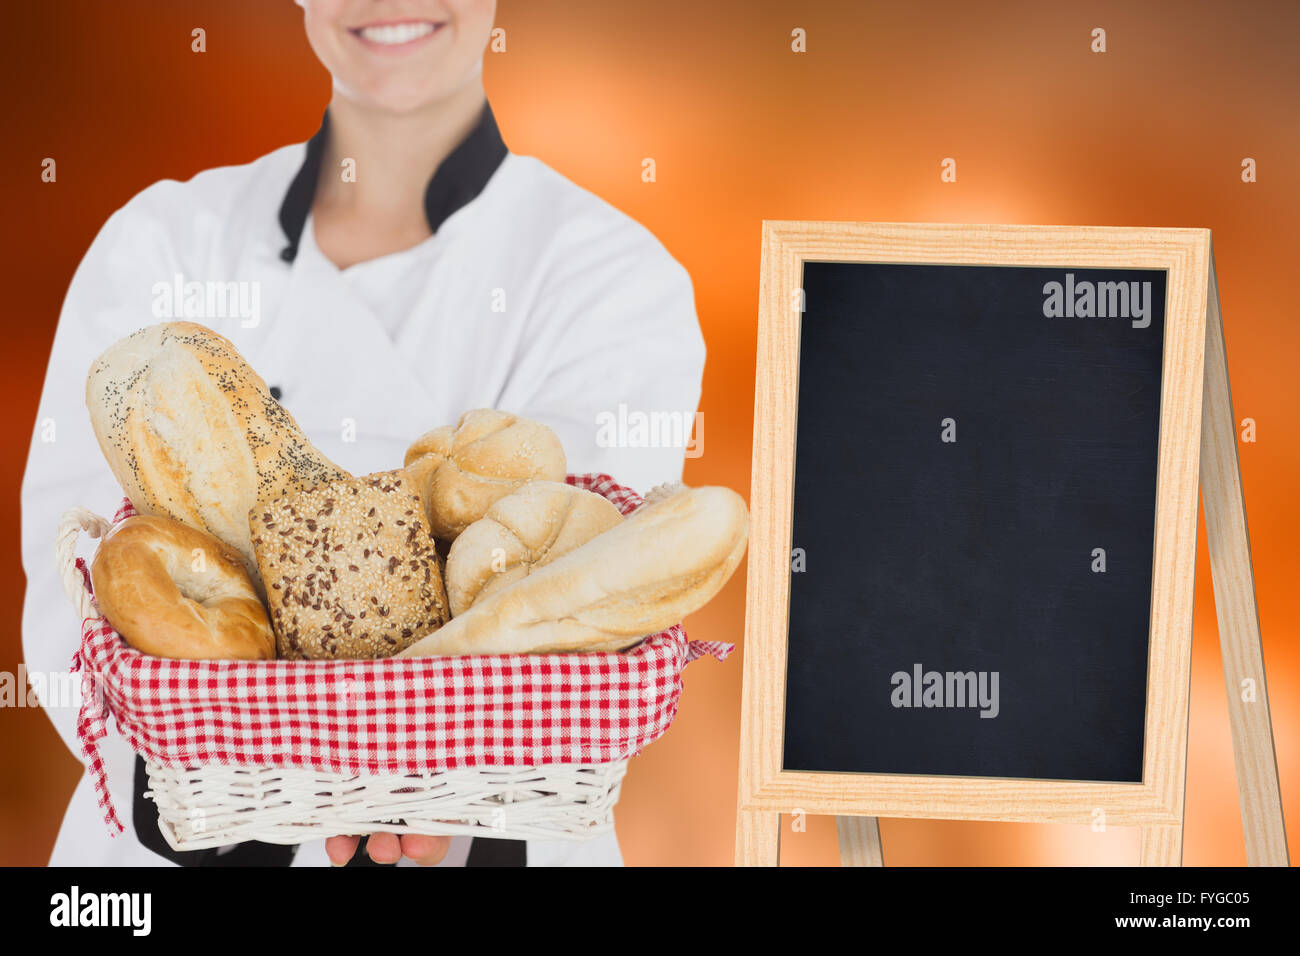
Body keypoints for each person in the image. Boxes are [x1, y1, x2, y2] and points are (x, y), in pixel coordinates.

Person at [20, 0, 703, 867]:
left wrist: (415, 789)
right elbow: (71, 609)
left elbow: (581, 614)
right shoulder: (158, 244)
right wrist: (251, 802)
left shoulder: (613, 277)